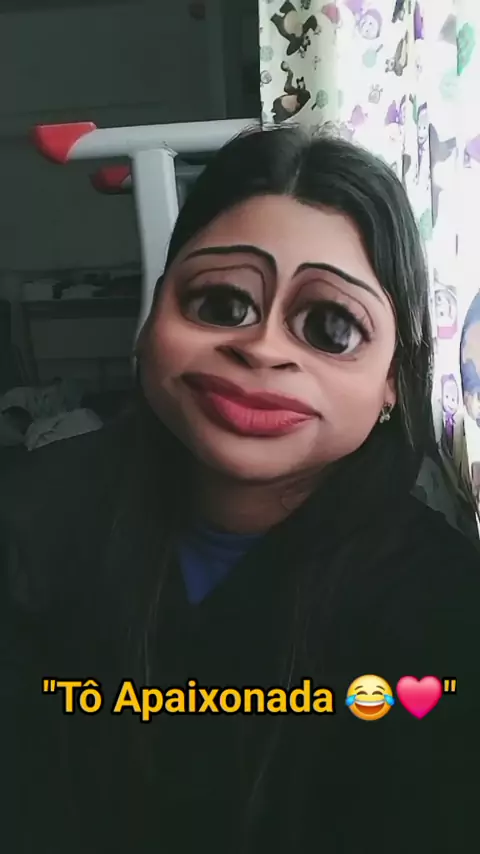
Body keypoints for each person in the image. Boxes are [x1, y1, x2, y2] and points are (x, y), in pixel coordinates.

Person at [1, 125, 480, 854]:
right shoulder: (27, 525)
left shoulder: (444, 608)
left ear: (394, 380)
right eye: (221, 304)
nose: (261, 349)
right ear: (152, 319)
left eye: (331, 327)